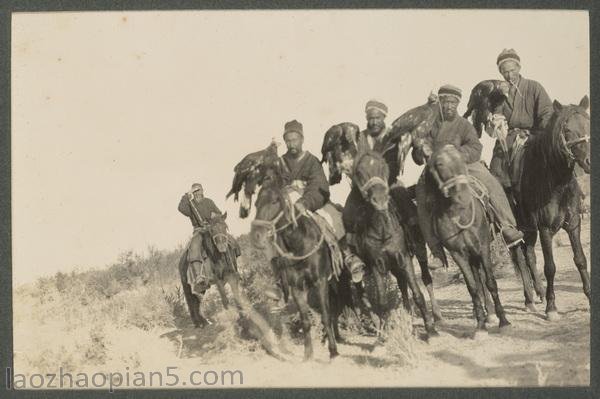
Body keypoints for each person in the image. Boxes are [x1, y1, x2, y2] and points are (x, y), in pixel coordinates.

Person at [415, 84, 525, 258]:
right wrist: (421, 150)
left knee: (490, 181)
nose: (449, 105)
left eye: (453, 102)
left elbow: (475, 147)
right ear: (440, 102)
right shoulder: (429, 125)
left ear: (458, 104)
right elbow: (418, 154)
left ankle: (507, 226)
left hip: (465, 164)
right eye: (445, 101)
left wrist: (458, 155)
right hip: (437, 167)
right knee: (421, 195)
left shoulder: (464, 125)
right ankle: (436, 250)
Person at [264, 120, 366, 305]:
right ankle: (279, 279)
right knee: (270, 233)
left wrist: (305, 202)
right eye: (288, 140)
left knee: (334, 217)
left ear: (302, 139)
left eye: (295, 139)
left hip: (310, 202)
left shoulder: (311, 161)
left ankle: (348, 256)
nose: (291, 144)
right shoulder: (279, 163)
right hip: (286, 205)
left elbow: (320, 186)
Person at [488, 48, 553, 194]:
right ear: (500, 73)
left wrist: (538, 135)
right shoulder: (497, 94)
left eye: (512, 70)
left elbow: (547, 112)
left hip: (532, 138)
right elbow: (495, 117)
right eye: (505, 72)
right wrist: (496, 123)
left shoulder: (534, 87)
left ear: (519, 67)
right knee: (495, 176)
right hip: (507, 141)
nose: (510, 75)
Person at [178, 183, 223, 295]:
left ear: (203, 191)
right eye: (196, 191)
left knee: (229, 241)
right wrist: (186, 197)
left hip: (212, 228)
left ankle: (232, 268)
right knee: (194, 247)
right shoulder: (190, 205)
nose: (199, 193)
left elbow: (219, 213)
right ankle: (199, 277)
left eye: (200, 190)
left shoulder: (209, 202)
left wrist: (215, 216)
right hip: (199, 230)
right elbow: (181, 208)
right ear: (193, 193)